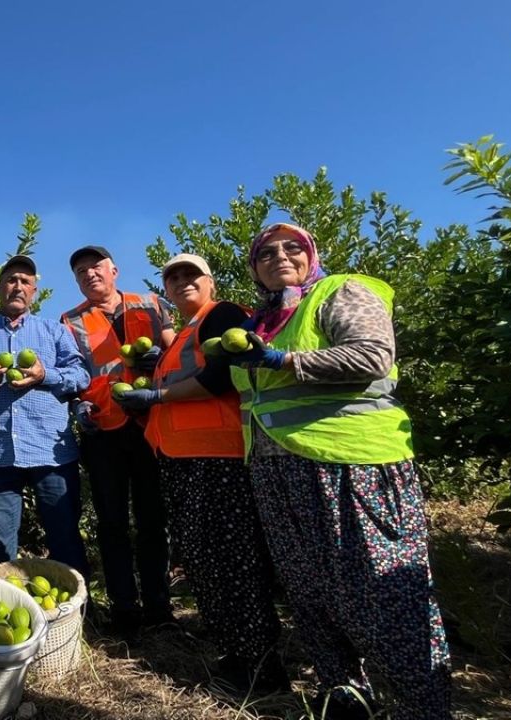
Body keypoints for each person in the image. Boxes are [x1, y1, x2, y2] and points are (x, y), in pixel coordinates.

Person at [221, 223, 450, 719]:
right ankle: (345, 693)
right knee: (309, 590)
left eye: (292, 247)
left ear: (312, 255)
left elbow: (372, 355)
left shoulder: (341, 290)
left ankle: (421, 705)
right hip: (277, 468)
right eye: (265, 253)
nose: (279, 256)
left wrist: (283, 358)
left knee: (382, 589)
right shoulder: (260, 320)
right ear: (255, 269)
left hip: (351, 462)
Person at [112, 253, 285, 694]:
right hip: (184, 458)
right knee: (206, 559)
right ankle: (235, 655)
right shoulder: (184, 332)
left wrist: (158, 396)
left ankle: (261, 668)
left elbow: (221, 378)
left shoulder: (223, 314)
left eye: (192, 275)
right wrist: (154, 374)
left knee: (233, 560)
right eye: (173, 278)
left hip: (217, 457)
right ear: (166, 291)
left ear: (210, 282)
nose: (182, 282)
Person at [60, 245, 176, 637]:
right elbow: (72, 374)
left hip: (149, 424)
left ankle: (159, 608)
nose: (89, 274)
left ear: (114, 270)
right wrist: (78, 407)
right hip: (104, 428)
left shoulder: (151, 303)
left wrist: (159, 357)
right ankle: (124, 608)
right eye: (81, 272)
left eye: (96, 267)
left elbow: (177, 351)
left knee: (152, 520)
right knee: (111, 522)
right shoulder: (70, 320)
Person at [0, 255, 91, 574]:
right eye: (11, 280)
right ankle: (6, 613)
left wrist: (45, 375)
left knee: (65, 537)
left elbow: (81, 376)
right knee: (0, 545)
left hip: (51, 452)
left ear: (34, 291)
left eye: (25, 282)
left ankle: (76, 613)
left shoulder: (54, 331)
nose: (17, 286)